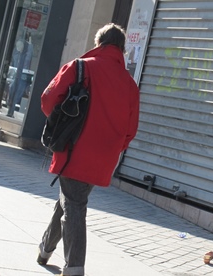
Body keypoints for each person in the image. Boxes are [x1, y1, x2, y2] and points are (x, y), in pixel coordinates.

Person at [37, 23, 140, 276]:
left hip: (74, 149)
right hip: (104, 157)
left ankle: (74, 269)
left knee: (73, 206)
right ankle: (45, 250)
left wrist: (62, 125)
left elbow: (47, 100)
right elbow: (131, 129)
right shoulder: (129, 85)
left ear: (99, 43)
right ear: (122, 50)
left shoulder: (80, 67)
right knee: (70, 202)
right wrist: (113, 148)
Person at [6, 39, 33, 117]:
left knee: (17, 93)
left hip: (22, 77)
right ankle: (10, 107)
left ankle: (11, 111)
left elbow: (30, 53)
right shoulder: (16, 55)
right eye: (17, 46)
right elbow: (13, 65)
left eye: (20, 45)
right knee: (12, 90)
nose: (18, 47)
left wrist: (30, 44)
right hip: (15, 76)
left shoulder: (26, 55)